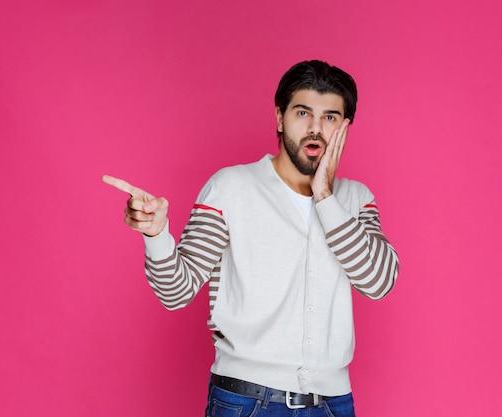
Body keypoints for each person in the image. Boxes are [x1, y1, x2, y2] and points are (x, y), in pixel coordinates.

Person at [102, 59, 400, 417]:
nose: (315, 129)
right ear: (280, 117)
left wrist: (324, 197)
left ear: (345, 127)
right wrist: (156, 234)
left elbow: (379, 283)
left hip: (333, 404)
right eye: (303, 112)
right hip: (247, 402)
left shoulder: (355, 199)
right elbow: (176, 292)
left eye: (330, 117)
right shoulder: (231, 188)